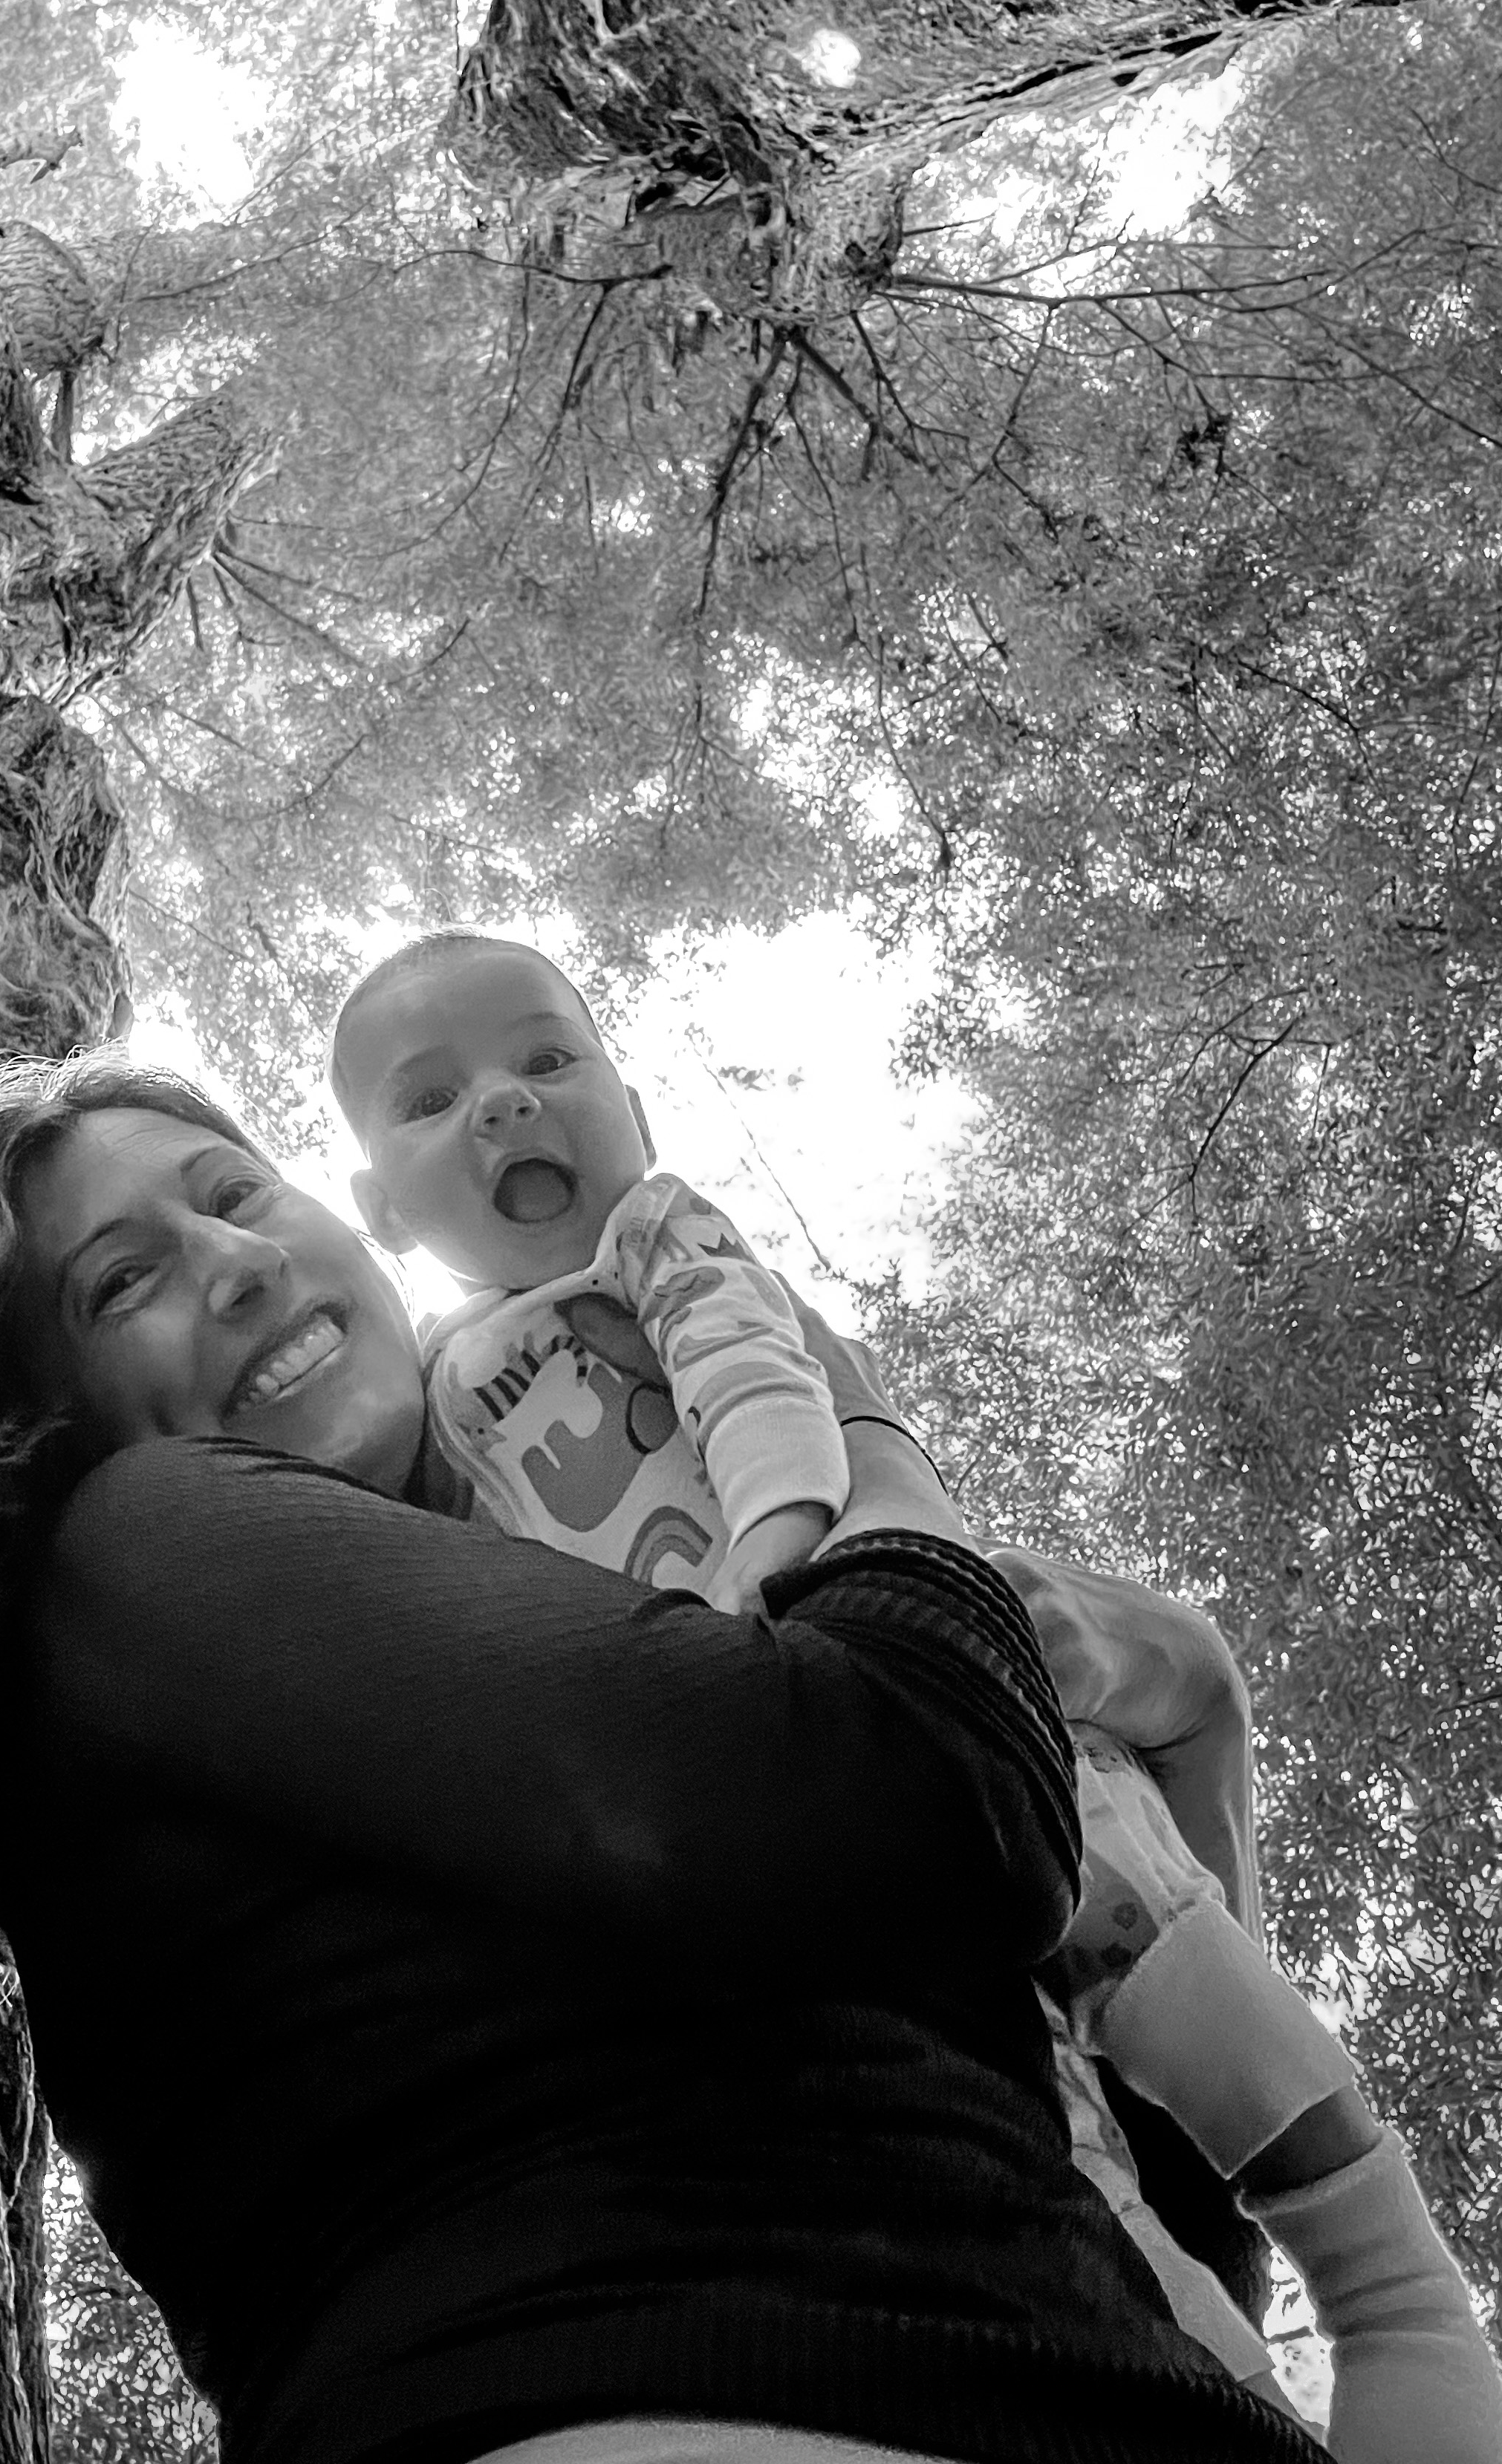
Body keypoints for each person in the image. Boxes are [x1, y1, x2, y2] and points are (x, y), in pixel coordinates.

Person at [0, 1051, 1329, 2464]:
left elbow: (1148, 2217)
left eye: (236, 1190)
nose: (227, 1261)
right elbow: (907, 1798)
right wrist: (844, 1423)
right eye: (126, 1276)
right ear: (30, 1426)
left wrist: (1206, 1723)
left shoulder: (534, 1664)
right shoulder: (135, 1545)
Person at [328, 928, 1502, 2463]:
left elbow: (754, 1381)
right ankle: (1237, 2405)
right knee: (1087, 2209)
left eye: (547, 1061)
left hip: (996, 1746)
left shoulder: (661, 1240)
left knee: (1254, 2076)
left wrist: (777, 1555)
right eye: (430, 1100)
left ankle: (1392, 2292)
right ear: (375, 1208)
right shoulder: (426, 1403)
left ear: (635, 1105)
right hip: (833, 1873)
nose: (501, 1105)